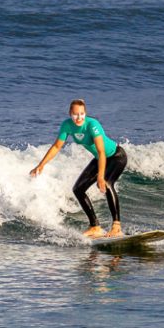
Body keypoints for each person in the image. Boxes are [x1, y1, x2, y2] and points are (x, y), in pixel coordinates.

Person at [30, 99, 127, 238]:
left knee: (106, 182)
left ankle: (116, 226)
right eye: (75, 114)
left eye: (81, 114)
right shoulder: (67, 125)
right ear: (70, 113)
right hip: (100, 158)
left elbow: (101, 151)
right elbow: (57, 146)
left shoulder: (92, 125)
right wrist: (41, 165)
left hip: (116, 156)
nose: (79, 117)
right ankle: (95, 227)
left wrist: (100, 177)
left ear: (85, 113)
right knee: (78, 189)